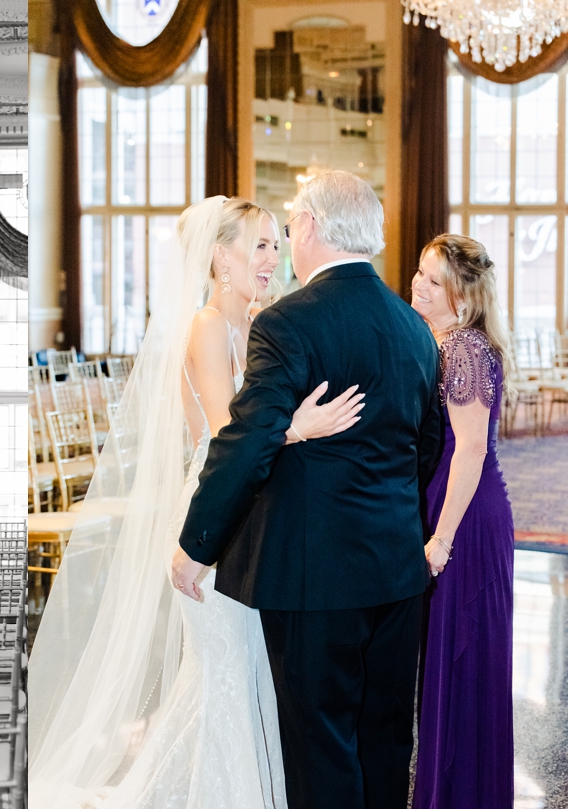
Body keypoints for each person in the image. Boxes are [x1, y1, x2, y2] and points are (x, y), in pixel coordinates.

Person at [29, 196, 365, 809]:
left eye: (275, 243)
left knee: (237, 675)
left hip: (255, 518)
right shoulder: (208, 325)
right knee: (226, 676)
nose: (274, 257)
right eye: (260, 245)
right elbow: (224, 432)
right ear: (221, 257)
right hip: (215, 516)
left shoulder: (260, 324)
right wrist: (301, 426)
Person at [171, 171, 443, 809]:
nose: (287, 240)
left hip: (314, 577)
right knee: (383, 741)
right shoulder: (413, 329)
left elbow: (244, 440)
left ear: (314, 227)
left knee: (319, 750)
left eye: (290, 226)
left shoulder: (286, 324)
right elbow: (424, 448)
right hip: (397, 573)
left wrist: (196, 545)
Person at [410, 235, 514, 808]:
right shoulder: (445, 341)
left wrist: (442, 539)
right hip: (452, 509)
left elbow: (471, 449)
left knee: (465, 661)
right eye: (420, 274)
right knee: (454, 666)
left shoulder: (464, 350)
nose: (418, 285)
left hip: (466, 521)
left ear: (463, 298)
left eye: (432, 280)